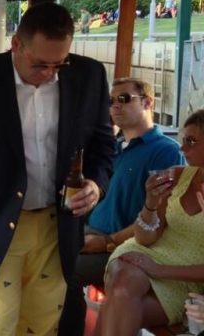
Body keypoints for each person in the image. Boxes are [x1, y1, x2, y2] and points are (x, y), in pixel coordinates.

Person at [0, 2, 115, 336]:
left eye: (60, 64)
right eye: (40, 64)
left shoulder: (89, 76)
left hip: (57, 225)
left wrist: (96, 186)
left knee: (42, 325)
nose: (50, 74)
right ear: (16, 44)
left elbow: (103, 144)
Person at [59, 78, 184, 336]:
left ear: (148, 103)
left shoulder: (165, 153)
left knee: (61, 271)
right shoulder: (112, 148)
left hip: (126, 247)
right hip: (91, 233)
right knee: (39, 255)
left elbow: (163, 218)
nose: (115, 105)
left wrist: (107, 241)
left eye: (124, 99)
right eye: (111, 100)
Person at [95, 109, 204, 335]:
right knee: (123, 284)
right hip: (146, 253)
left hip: (184, 278)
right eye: (184, 140)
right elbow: (145, 238)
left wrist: (160, 270)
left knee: (115, 308)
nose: (182, 148)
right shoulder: (178, 175)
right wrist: (151, 203)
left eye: (192, 142)